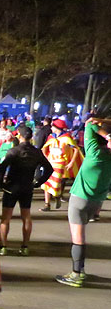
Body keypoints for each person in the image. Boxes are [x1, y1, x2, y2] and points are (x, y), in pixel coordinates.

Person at [55, 119, 111, 287]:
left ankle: (76, 274)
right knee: (80, 237)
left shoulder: (94, 153)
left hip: (80, 199)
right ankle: (80, 271)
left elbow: (89, 125)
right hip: (97, 201)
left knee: (78, 239)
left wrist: (103, 129)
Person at [0, 127, 53, 256]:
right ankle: (25, 247)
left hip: (11, 186)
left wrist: (1, 184)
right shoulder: (36, 152)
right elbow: (49, 169)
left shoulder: (13, 151)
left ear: (20, 136)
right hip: (27, 187)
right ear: (31, 137)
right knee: (26, 216)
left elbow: (2, 168)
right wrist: (38, 182)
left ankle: (3, 246)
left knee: (6, 218)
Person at [40, 119, 83, 211]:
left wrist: (71, 162)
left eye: (52, 126)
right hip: (50, 162)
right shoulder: (51, 137)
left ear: (56, 127)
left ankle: (57, 196)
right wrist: (46, 158)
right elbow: (44, 148)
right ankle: (47, 204)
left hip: (60, 163)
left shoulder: (66, 138)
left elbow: (76, 149)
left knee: (56, 183)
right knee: (46, 182)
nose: (51, 128)